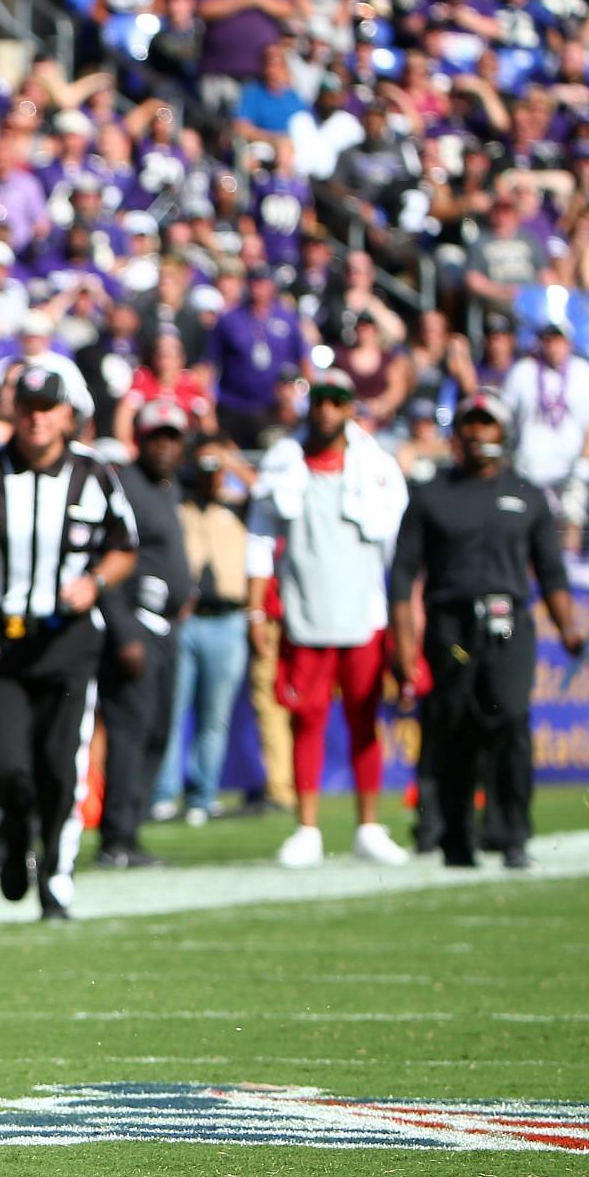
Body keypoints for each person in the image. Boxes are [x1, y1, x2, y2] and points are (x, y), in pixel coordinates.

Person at [0, 367, 139, 919]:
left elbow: (124, 546)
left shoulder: (94, 474)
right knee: (5, 764)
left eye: (47, 407)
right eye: (27, 405)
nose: (36, 416)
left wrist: (94, 582)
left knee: (58, 767)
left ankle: (55, 873)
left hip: (66, 640)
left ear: (67, 415)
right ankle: (15, 834)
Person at [391, 389, 589, 870]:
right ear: (458, 433)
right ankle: (450, 834)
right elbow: (402, 575)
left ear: (504, 432)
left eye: (490, 423)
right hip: (451, 628)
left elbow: (551, 571)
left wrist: (568, 627)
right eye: (472, 423)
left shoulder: (527, 495)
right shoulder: (431, 494)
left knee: (510, 719)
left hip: (508, 628)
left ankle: (509, 833)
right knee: (453, 722)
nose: (481, 432)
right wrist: (403, 645)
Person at [247, 370, 410, 869]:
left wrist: (405, 614)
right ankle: (308, 827)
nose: (326, 411)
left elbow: (396, 549)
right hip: (304, 611)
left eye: (336, 402)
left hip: (363, 612)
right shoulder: (284, 464)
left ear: (350, 409)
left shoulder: (376, 467)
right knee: (308, 720)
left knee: (364, 718)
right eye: (319, 401)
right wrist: (256, 608)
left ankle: (368, 823)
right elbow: (259, 541)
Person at [95, 400, 191, 868]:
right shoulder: (126, 486)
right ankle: (116, 838)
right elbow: (106, 563)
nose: (166, 446)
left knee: (155, 733)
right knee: (130, 735)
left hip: (165, 628)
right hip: (136, 624)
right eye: (158, 437)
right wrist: (124, 631)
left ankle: (130, 831)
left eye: (173, 437)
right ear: (140, 438)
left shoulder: (165, 488)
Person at [160, 436, 262, 822]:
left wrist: (230, 462)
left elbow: (264, 493)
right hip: (187, 618)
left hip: (228, 618)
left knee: (213, 716)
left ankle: (203, 794)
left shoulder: (238, 507)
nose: (208, 475)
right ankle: (165, 794)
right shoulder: (179, 504)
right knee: (173, 710)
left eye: (212, 468)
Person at [503, 322, 589, 552]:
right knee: (529, 527)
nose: (553, 346)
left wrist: (587, 460)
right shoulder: (523, 371)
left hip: (570, 466)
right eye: (548, 340)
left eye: (558, 340)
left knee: (571, 520)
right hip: (530, 468)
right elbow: (505, 420)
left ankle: (568, 575)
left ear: (568, 342)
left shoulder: (583, 373)